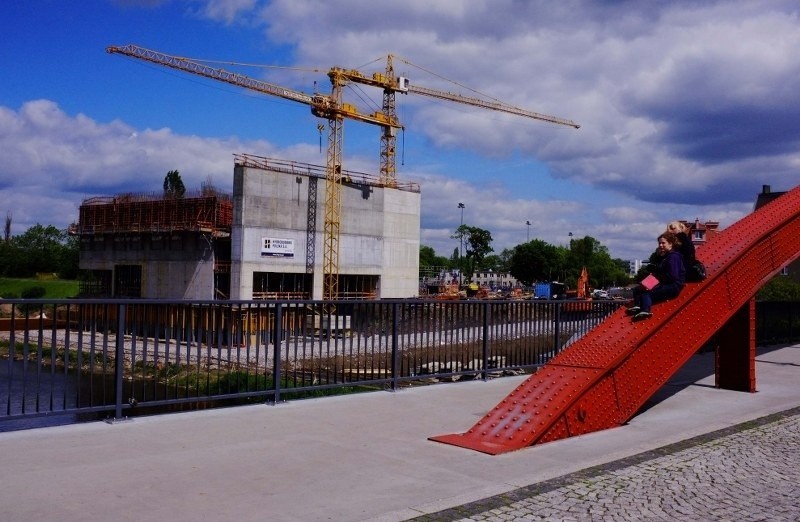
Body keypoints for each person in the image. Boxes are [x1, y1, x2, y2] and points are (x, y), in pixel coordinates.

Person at [627, 231, 686, 321]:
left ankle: (645, 310)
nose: (661, 245)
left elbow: (672, 276)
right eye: (659, 243)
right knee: (638, 289)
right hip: (666, 283)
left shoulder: (673, 257)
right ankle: (638, 306)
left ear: (670, 244)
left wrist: (654, 283)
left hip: (673, 286)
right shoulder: (666, 257)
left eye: (663, 243)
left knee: (646, 292)